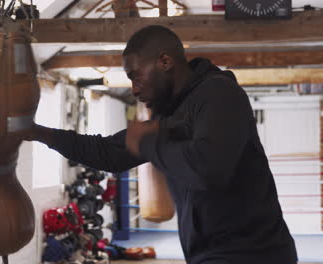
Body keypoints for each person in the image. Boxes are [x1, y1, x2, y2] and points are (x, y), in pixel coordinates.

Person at [16, 25, 298, 264]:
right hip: (210, 253)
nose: (135, 88)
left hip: (255, 254)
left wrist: (150, 142)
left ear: (165, 61)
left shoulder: (219, 94)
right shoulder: (169, 114)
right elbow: (109, 153)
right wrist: (38, 133)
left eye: (135, 76)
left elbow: (208, 169)